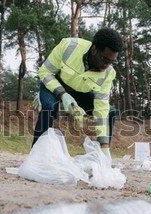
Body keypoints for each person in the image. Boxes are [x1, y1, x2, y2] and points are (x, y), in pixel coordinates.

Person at [32, 28, 123, 161]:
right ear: (94, 50)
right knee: (49, 106)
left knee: (110, 111)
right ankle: (36, 156)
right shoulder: (69, 46)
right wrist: (62, 94)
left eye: (111, 61)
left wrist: (104, 145)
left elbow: (101, 108)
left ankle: (101, 160)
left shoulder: (108, 73)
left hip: (80, 93)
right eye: (104, 59)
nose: (107, 65)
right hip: (54, 85)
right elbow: (45, 72)